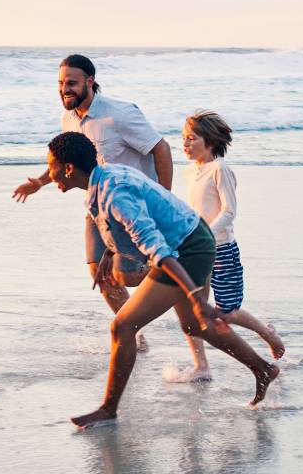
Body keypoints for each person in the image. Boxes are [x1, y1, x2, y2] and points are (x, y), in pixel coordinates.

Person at [43, 131, 279, 427]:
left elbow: (158, 249)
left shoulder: (114, 193)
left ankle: (108, 409)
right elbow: (124, 224)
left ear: (67, 168)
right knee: (194, 325)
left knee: (123, 326)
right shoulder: (103, 180)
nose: (48, 173)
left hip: (187, 248)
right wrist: (108, 253)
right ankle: (262, 369)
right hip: (192, 237)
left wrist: (194, 295)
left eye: (51, 166)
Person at [13, 54, 203, 366]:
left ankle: (176, 277)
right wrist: (41, 182)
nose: (65, 89)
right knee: (98, 272)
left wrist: (163, 197)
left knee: (124, 274)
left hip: (133, 207)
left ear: (90, 81)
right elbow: (67, 161)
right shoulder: (70, 119)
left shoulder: (119, 114)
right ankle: (134, 332)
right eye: (60, 84)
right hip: (97, 207)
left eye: (71, 83)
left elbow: (161, 148)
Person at [181, 110, 284, 361]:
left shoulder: (220, 169)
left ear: (211, 142)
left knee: (227, 312)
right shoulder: (191, 172)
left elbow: (229, 211)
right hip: (196, 250)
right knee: (193, 309)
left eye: (192, 138)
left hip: (221, 249)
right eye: (183, 138)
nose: (185, 143)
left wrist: (204, 234)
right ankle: (201, 366)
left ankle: (267, 334)